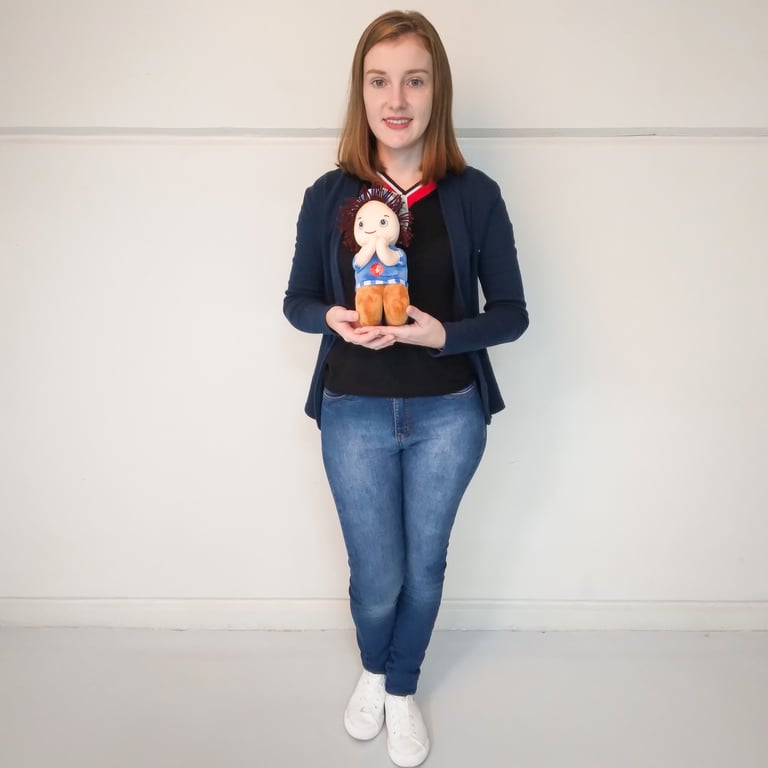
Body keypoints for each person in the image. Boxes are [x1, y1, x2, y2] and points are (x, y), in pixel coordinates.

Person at [283, 10, 528, 767]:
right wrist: (331, 317)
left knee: (424, 567)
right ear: (360, 92)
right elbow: (296, 302)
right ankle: (373, 667)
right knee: (376, 576)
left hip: (448, 415)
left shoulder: (475, 195)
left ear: (436, 92)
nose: (396, 99)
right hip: (352, 411)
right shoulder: (329, 195)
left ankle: (401, 687)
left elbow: (512, 315)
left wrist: (440, 334)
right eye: (380, 81)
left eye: (414, 81)